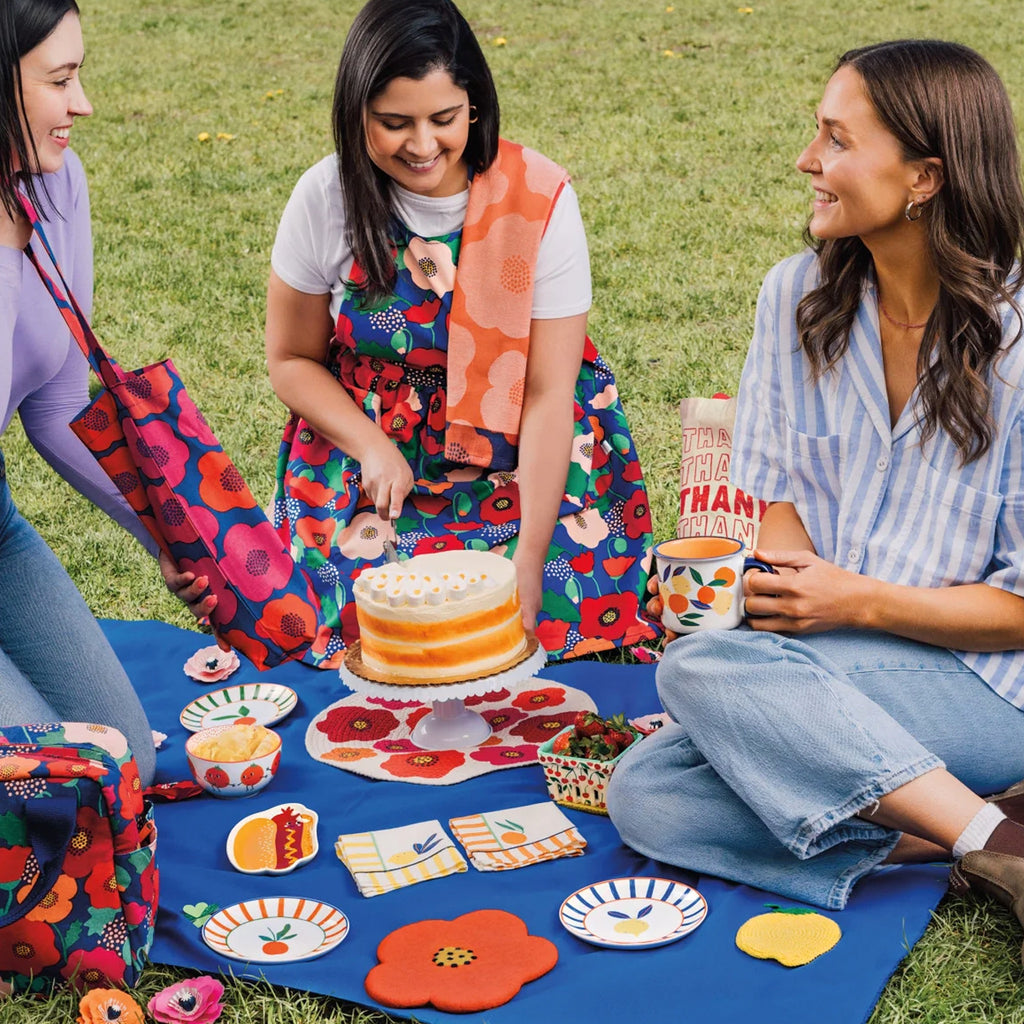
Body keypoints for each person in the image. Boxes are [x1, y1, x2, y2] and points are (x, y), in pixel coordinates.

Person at [607, 39, 1024, 943]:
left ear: (924, 176)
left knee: (698, 667)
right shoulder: (795, 298)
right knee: (647, 793)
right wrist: (779, 591)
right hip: (832, 659)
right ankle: (987, 830)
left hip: (991, 686)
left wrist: (857, 605)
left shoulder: (1019, 342)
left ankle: (988, 830)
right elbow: (782, 502)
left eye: (836, 140)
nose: (807, 161)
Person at [260, 0, 657, 668]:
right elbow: (291, 360)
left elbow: (547, 394)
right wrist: (372, 449)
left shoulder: (540, 197)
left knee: (549, 605)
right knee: (374, 623)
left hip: (523, 449)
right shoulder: (325, 197)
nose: (421, 145)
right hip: (376, 455)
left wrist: (530, 556)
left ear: (474, 106)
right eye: (394, 123)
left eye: (443, 120)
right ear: (355, 111)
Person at [0, 0, 155, 785]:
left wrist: (175, 543)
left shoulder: (55, 187)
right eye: (60, 80)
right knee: (44, 795)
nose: (83, 105)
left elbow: (59, 404)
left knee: (126, 761)